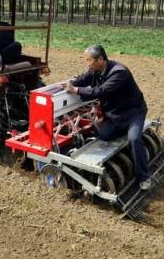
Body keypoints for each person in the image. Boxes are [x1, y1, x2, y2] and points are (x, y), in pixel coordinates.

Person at [63, 45, 152, 190]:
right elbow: (84, 78)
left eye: (89, 60)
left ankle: (144, 177)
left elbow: (102, 91)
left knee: (134, 139)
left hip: (133, 113)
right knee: (104, 135)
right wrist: (69, 84)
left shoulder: (119, 72)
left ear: (100, 59)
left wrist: (77, 90)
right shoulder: (96, 70)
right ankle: (126, 132)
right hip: (116, 115)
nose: (87, 63)